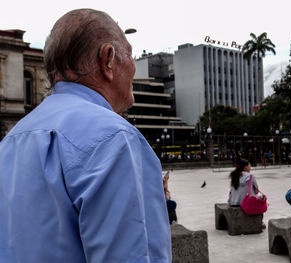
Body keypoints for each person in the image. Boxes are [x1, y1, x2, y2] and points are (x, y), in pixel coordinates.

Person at [0, 9, 171, 263]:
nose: (134, 66)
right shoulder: (115, 138)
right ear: (108, 60)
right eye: (131, 53)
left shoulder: (11, 140)